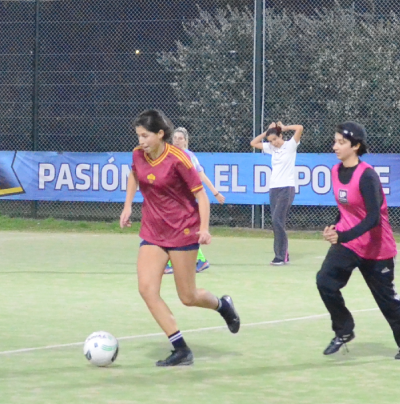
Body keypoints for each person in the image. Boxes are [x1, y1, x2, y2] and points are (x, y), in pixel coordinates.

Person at [119, 109, 240, 367]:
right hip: (153, 231)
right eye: (138, 135)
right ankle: (181, 349)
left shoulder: (179, 159)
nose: (141, 141)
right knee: (147, 289)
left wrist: (204, 228)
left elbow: (201, 196)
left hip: (182, 230)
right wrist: (128, 205)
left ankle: (223, 306)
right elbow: (134, 174)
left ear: (161, 134)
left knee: (188, 296)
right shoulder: (138, 154)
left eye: (145, 135)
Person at [316, 121, 400, 360]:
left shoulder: (367, 176)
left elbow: (373, 218)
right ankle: (344, 330)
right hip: (350, 244)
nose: (335, 146)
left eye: (341, 142)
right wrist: (334, 228)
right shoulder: (334, 171)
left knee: (387, 301)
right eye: (335, 141)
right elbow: (346, 210)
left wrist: (343, 235)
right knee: (325, 281)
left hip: (376, 247)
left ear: (356, 145)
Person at [163, 126, 225, 275]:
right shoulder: (168, 154)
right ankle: (200, 260)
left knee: (173, 229)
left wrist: (215, 192)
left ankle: (171, 263)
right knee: (181, 231)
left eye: (180, 138)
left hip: (185, 199)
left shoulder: (189, 156)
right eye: (175, 138)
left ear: (185, 141)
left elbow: (201, 176)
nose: (177, 141)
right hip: (173, 199)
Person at [250, 121, 303, 265]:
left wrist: (285, 127)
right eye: (270, 141)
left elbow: (300, 128)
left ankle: (280, 256)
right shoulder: (271, 148)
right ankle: (284, 252)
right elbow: (253, 143)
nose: (273, 143)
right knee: (277, 222)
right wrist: (267, 131)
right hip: (274, 189)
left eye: (275, 139)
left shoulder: (291, 145)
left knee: (276, 220)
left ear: (281, 136)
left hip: (287, 188)